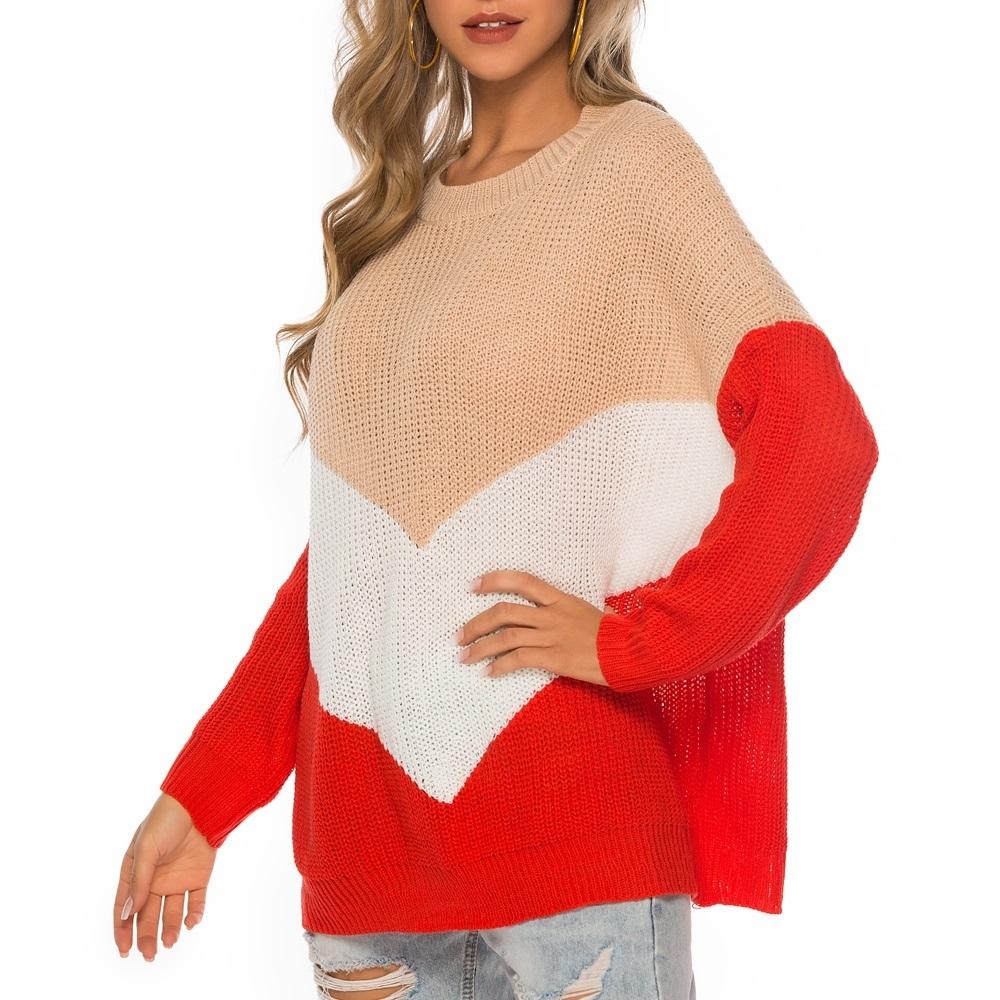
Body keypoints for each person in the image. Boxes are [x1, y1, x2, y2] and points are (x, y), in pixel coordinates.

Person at [112, 2, 880, 997]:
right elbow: (354, 563)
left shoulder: (635, 166)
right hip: (367, 887)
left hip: (577, 869)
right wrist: (202, 795)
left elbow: (818, 437)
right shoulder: (399, 211)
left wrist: (637, 642)